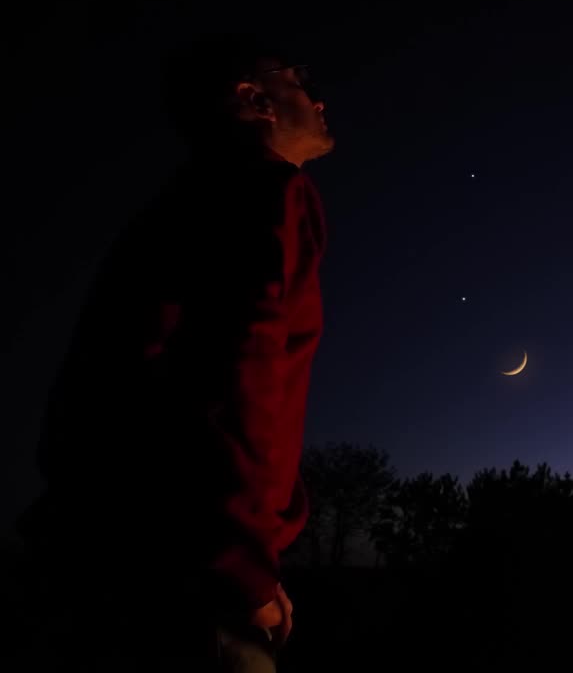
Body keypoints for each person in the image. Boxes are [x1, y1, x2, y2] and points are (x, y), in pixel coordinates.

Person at [14, 36, 334, 672]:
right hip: (177, 571)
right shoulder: (259, 188)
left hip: (115, 554)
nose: (317, 96)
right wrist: (243, 569)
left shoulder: (191, 201)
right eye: (297, 79)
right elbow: (238, 367)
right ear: (255, 99)